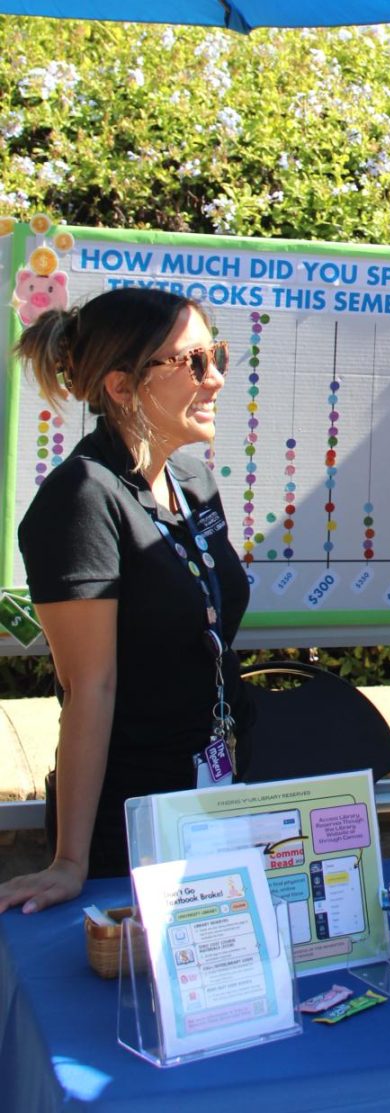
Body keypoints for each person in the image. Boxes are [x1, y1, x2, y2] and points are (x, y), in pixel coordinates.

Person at [0, 288, 250, 914]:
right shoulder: (83, 498)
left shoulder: (192, 481)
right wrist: (69, 862)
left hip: (215, 797)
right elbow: (91, 688)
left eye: (215, 354)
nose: (215, 378)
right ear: (120, 385)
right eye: (192, 362)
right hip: (133, 821)